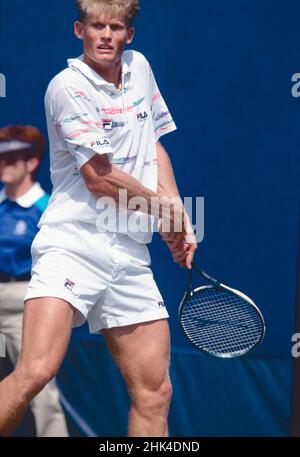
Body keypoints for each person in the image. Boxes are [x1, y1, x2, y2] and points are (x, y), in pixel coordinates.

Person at [0, 0, 197, 437]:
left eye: (115, 27)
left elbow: (154, 145)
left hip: (128, 253)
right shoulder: (66, 87)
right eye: (96, 26)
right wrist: (167, 214)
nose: (106, 35)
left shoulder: (140, 68)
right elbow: (100, 180)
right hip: (73, 245)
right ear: (79, 30)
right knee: (35, 370)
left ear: (130, 35)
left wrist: (174, 209)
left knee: (154, 392)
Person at [0, 125, 69, 437]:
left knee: (38, 383)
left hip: (24, 302)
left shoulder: (47, 209)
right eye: (0, 158)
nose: (3, 164)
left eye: (12, 158)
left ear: (32, 163)